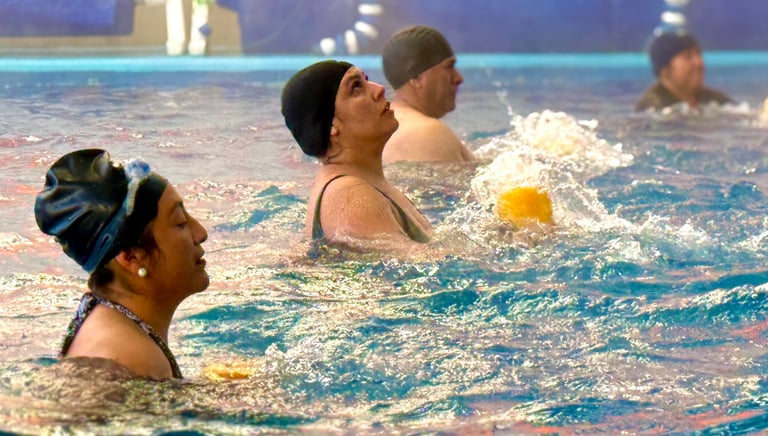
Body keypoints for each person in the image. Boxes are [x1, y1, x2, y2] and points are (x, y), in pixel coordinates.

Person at [34, 149, 209, 380]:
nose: (201, 233)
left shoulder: (108, 316)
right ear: (131, 257)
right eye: (180, 223)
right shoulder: (132, 361)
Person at [281, 60, 432, 252]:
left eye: (366, 80)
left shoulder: (361, 182)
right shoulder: (352, 195)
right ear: (331, 126)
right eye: (356, 87)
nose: (379, 89)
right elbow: (417, 267)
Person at [380, 25, 474, 164]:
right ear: (416, 78)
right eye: (449, 67)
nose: (458, 78)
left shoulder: (384, 126)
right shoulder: (428, 132)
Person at [635, 30, 732, 112]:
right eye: (688, 57)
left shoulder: (713, 100)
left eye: (699, 54)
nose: (699, 63)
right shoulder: (653, 108)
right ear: (665, 70)